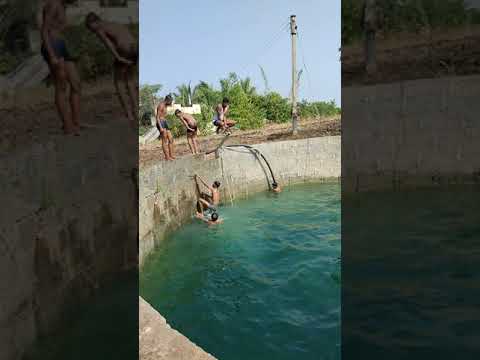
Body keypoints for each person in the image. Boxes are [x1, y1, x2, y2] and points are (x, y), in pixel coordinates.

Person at [85, 12, 138, 128]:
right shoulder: (112, 23)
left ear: (94, 22)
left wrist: (119, 58)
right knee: (130, 82)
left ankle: (129, 115)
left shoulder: (100, 28)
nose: (91, 31)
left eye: (90, 27)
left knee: (119, 83)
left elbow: (108, 44)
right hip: (134, 49)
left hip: (124, 51)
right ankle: (135, 111)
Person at [41, 0, 81, 135]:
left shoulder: (63, 6)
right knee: (61, 86)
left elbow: (60, 27)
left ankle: (76, 123)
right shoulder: (54, 4)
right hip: (53, 46)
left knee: (76, 84)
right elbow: (44, 30)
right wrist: (52, 55)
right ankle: (68, 126)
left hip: (62, 45)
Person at [361, 0, 382, 77]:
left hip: (368, 24)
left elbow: (363, 13)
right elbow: (378, 13)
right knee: (370, 45)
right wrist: (379, 24)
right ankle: (371, 67)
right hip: (370, 24)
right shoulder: (374, 2)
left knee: (369, 45)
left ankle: (369, 66)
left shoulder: (368, 2)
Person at [156, 95, 175, 161]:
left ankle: (171, 155)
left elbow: (163, 115)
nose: (171, 103)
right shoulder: (161, 105)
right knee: (164, 140)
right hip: (160, 123)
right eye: (170, 101)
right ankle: (167, 157)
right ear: (167, 100)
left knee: (171, 139)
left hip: (164, 122)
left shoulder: (166, 105)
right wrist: (160, 127)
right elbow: (157, 117)